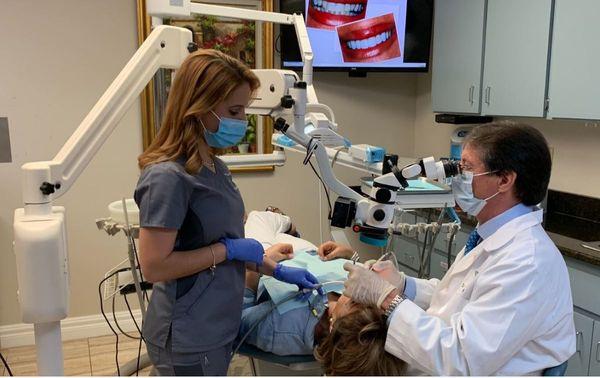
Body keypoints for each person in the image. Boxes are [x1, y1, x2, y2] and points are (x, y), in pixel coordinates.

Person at [134, 49, 320, 376]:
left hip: (219, 321)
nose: (242, 121)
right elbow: (153, 267)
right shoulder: (168, 177)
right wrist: (227, 249)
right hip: (189, 332)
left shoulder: (214, 167)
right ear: (198, 107)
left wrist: (273, 269)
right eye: (234, 110)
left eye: (244, 110)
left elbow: (229, 245)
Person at [342, 121, 576, 375]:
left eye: (466, 168)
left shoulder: (527, 262)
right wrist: (403, 285)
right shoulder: (491, 234)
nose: (456, 177)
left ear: (505, 180)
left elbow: (462, 359)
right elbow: (460, 298)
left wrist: (386, 298)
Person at [239, 211, 406, 375]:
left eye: (355, 302)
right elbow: (368, 279)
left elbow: (238, 320)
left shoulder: (281, 328)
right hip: (313, 254)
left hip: (272, 260)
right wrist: (349, 255)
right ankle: (286, 225)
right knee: (275, 226)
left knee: (258, 218)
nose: (363, 297)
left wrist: (259, 262)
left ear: (334, 326)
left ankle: (279, 221)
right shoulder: (370, 315)